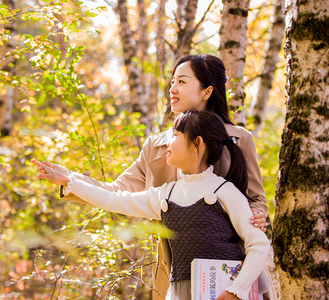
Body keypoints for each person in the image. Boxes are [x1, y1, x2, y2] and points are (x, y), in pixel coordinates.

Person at [34, 55, 275, 299]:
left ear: (207, 91)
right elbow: (118, 194)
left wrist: (256, 215)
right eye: (172, 82)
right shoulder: (157, 146)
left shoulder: (240, 140)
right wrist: (70, 179)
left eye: (182, 81)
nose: (172, 89)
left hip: (235, 275)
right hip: (177, 272)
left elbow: (255, 198)